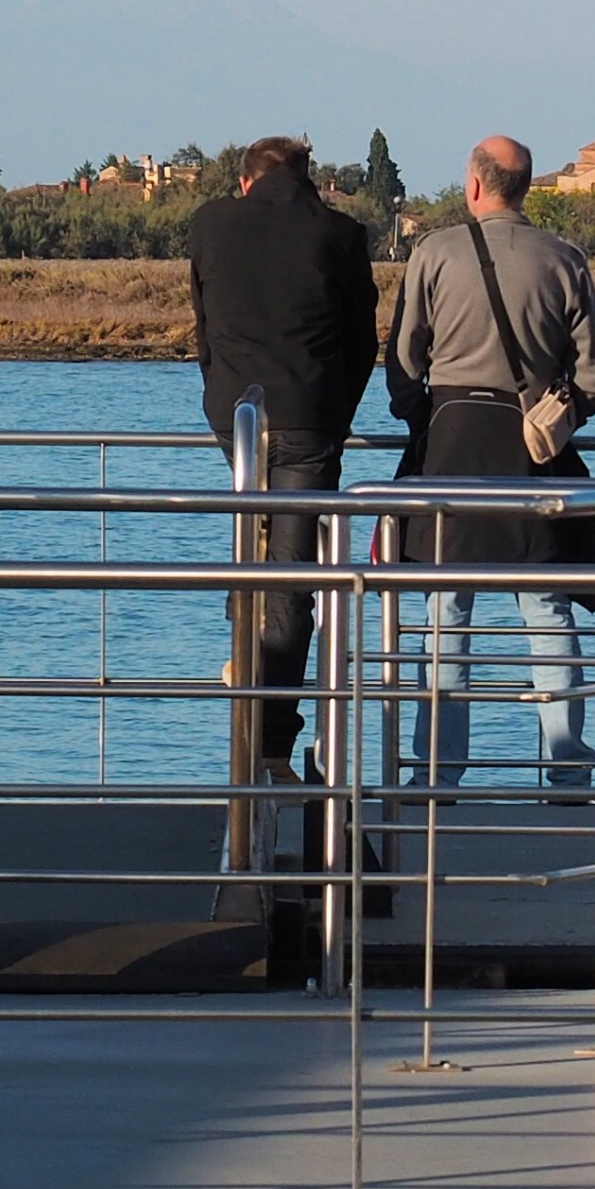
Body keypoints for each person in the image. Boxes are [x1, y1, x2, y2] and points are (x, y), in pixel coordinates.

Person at [385, 136, 595, 799]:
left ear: (475, 186)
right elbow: (594, 375)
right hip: (532, 450)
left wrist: (418, 421)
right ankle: (566, 770)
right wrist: (560, 418)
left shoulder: (433, 253)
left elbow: (403, 360)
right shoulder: (564, 258)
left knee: (446, 612)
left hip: (450, 442)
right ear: (526, 188)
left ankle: (437, 774)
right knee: (547, 609)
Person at [189, 135, 378, 782]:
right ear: (310, 179)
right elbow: (361, 340)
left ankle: (247, 666)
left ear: (245, 181)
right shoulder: (341, 233)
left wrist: (221, 392)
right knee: (292, 574)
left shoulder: (210, 224)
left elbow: (204, 327)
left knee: (256, 544)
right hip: (310, 415)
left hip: (233, 410)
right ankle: (272, 742)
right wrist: (338, 417)